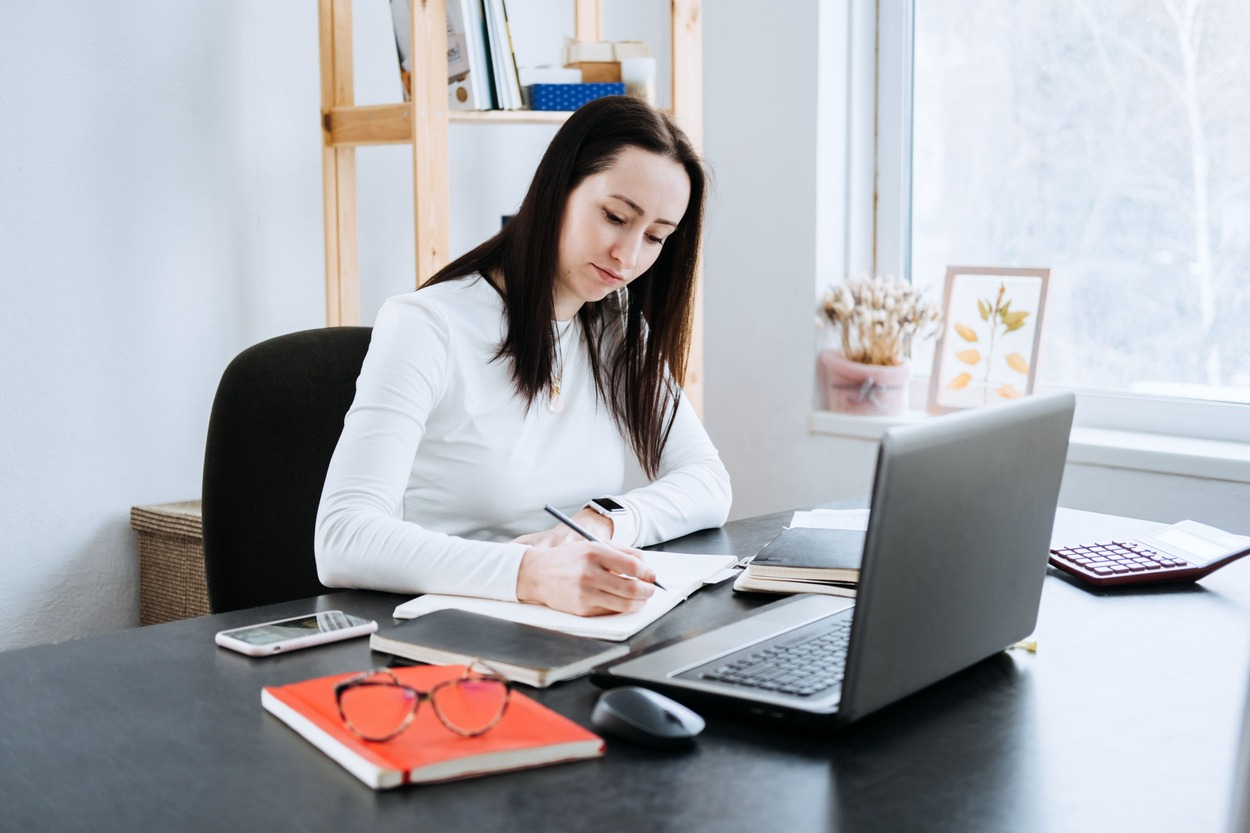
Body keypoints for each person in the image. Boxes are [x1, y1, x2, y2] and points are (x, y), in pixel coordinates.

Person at [315, 96, 732, 617]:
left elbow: (708, 482)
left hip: (566, 622)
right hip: (444, 632)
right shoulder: (427, 326)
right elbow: (343, 538)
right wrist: (531, 574)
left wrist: (600, 521)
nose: (628, 257)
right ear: (557, 190)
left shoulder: (612, 323)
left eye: (654, 237)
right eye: (614, 217)